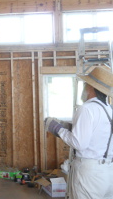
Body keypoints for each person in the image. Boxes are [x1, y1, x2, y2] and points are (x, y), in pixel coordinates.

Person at [45, 66, 113, 199]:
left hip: (89, 174)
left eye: (86, 84)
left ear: (91, 88)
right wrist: (67, 127)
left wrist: (57, 129)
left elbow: (79, 143)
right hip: (108, 172)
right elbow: (98, 134)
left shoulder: (87, 109)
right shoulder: (109, 109)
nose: (84, 87)